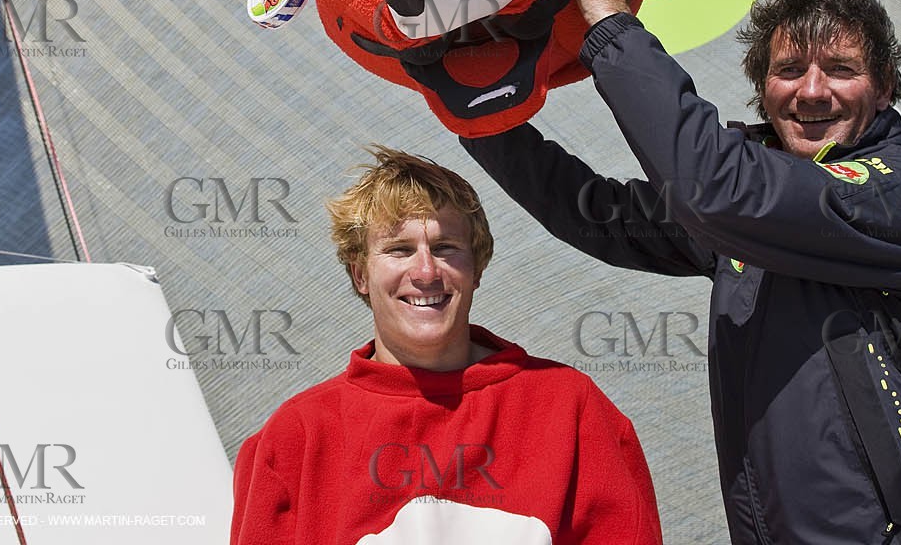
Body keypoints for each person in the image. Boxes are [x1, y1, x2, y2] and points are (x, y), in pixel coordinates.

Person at [459, 0, 901, 544]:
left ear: (884, 87)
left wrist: (609, 21)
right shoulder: (745, 214)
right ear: (761, 88)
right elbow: (596, 214)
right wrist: (475, 106)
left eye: (839, 68)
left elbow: (720, 189)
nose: (812, 91)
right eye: (788, 70)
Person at [230, 146, 664, 545]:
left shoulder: (571, 408)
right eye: (399, 250)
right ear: (360, 274)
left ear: (477, 267)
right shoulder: (296, 437)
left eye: (445, 248)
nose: (425, 272)